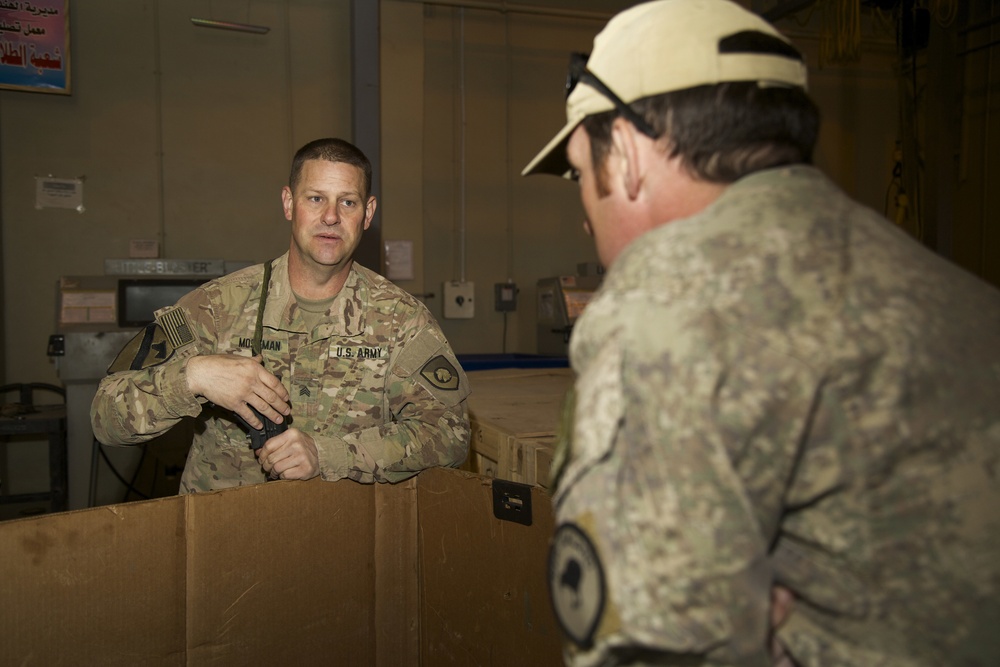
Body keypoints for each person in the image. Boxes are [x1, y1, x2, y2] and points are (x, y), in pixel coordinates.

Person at [523, 1, 1000, 665]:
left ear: (627, 155)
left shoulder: (664, 304)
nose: (583, 213)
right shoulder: (949, 288)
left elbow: (648, 647)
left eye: (579, 172)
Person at [92, 138, 470, 492]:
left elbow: (450, 434)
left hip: (345, 539)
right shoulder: (217, 307)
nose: (331, 217)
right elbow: (105, 416)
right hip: (224, 538)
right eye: (316, 198)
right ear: (289, 203)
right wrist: (193, 376)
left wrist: (329, 454)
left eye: (348, 202)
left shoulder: (400, 319)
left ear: (368, 213)